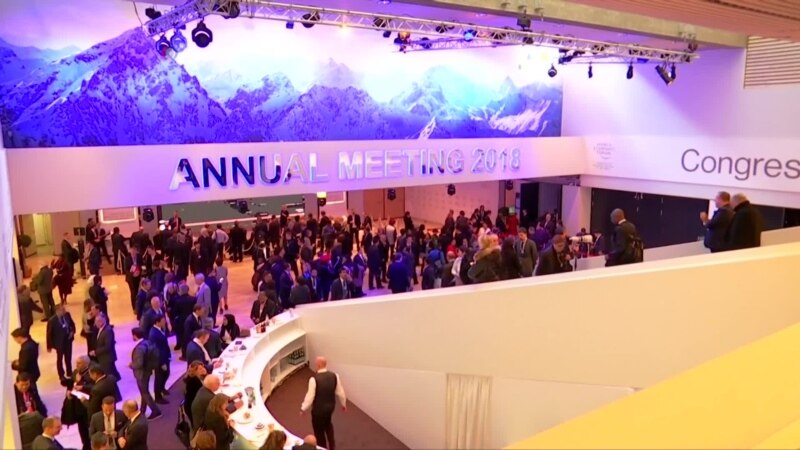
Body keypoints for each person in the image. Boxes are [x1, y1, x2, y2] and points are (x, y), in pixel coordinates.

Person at [300, 356, 347, 450]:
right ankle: (332, 446)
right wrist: (343, 404)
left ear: (318, 365)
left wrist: (303, 408)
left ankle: (322, 447)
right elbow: (340, 392)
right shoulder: (335, 376)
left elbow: (310, 396)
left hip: (318, 410)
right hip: (330, 407)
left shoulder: (314, 379)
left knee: (318, 431)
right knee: (328, 423)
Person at [130, 327, 162, 420]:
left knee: (144, 392)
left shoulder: (139, 348)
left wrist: (131, 365)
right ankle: (142, 410)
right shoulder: (148, 343)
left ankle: (155, 410)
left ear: (135, 336)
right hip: (147, 371)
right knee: (144, 391)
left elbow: (138, 363)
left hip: (141, 373)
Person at [46, 304, 76, 384]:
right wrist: (49, 346)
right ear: (57, 311)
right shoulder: (52, 320)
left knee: (68, 357)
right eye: (62, 309)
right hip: (59, 343)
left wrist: (72, 332)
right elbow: (49, 334)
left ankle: (69, 372)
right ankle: (61, 375)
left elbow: (72, 324)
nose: (64, 311)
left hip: (68, 340)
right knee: (60, 359)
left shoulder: (67, 315)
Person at [148, 315, 171, 404]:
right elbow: (156, 350)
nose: (165, 322)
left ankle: (162, 388)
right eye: (163, 321)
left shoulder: (159, 330)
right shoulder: (153, 334)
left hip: (165, 356)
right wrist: (162, 363)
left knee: (166, 374)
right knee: (159, 378)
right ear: (157, 322)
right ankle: (158, 397)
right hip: (160, 360)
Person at [93, 314, 121, 381]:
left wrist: (96, 352)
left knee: (109, 376)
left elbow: (108, 346)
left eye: (98, 321)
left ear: (102, 321)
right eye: (95, 321)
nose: (96, 323)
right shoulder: (100, 329)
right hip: (104, 357)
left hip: (107, 358)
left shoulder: (108, 331)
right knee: (113, 373)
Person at [183, 361, 207, 427]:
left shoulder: (199, 377)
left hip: (196, 404)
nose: (203, 369)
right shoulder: (193, 381)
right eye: (200, 369)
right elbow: (203, 393)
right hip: (193, 408)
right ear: (195, 371)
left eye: (203, 367)